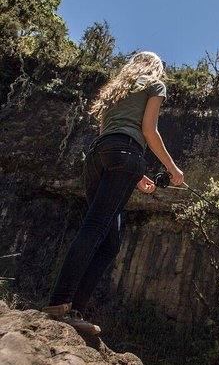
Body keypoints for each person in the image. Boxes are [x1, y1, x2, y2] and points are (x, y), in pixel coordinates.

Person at [42, 51, 184, 335]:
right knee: (96, 228)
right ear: (156, 67)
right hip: (125, 154)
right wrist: (173, 169)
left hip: (98, 156)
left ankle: (73, 310)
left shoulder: (117, 89)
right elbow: (148, 130)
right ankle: (59, 305)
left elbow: (111, 135)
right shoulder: (155, 84)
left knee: (109, 243)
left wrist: (136, 175)